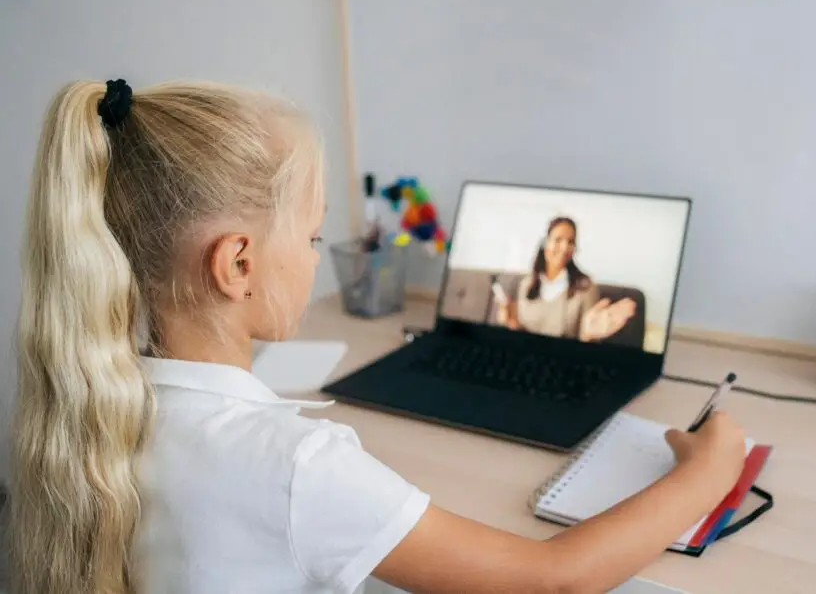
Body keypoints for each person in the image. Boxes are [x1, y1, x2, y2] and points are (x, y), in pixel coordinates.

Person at [9, 78, 747, 594]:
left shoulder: (93, 404)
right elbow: (551, 579)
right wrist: (709, 472)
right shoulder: (294, 465)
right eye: (312, 234)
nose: (315, 254)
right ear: (238, 263)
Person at [496, 216, 638, 342]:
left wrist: (589, 335)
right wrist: (510, 322)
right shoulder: (527, 284)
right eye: (558, 240)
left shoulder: (586, 288)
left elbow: (586, 341)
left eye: (570, 242)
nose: (565, 248)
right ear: (544, 244)